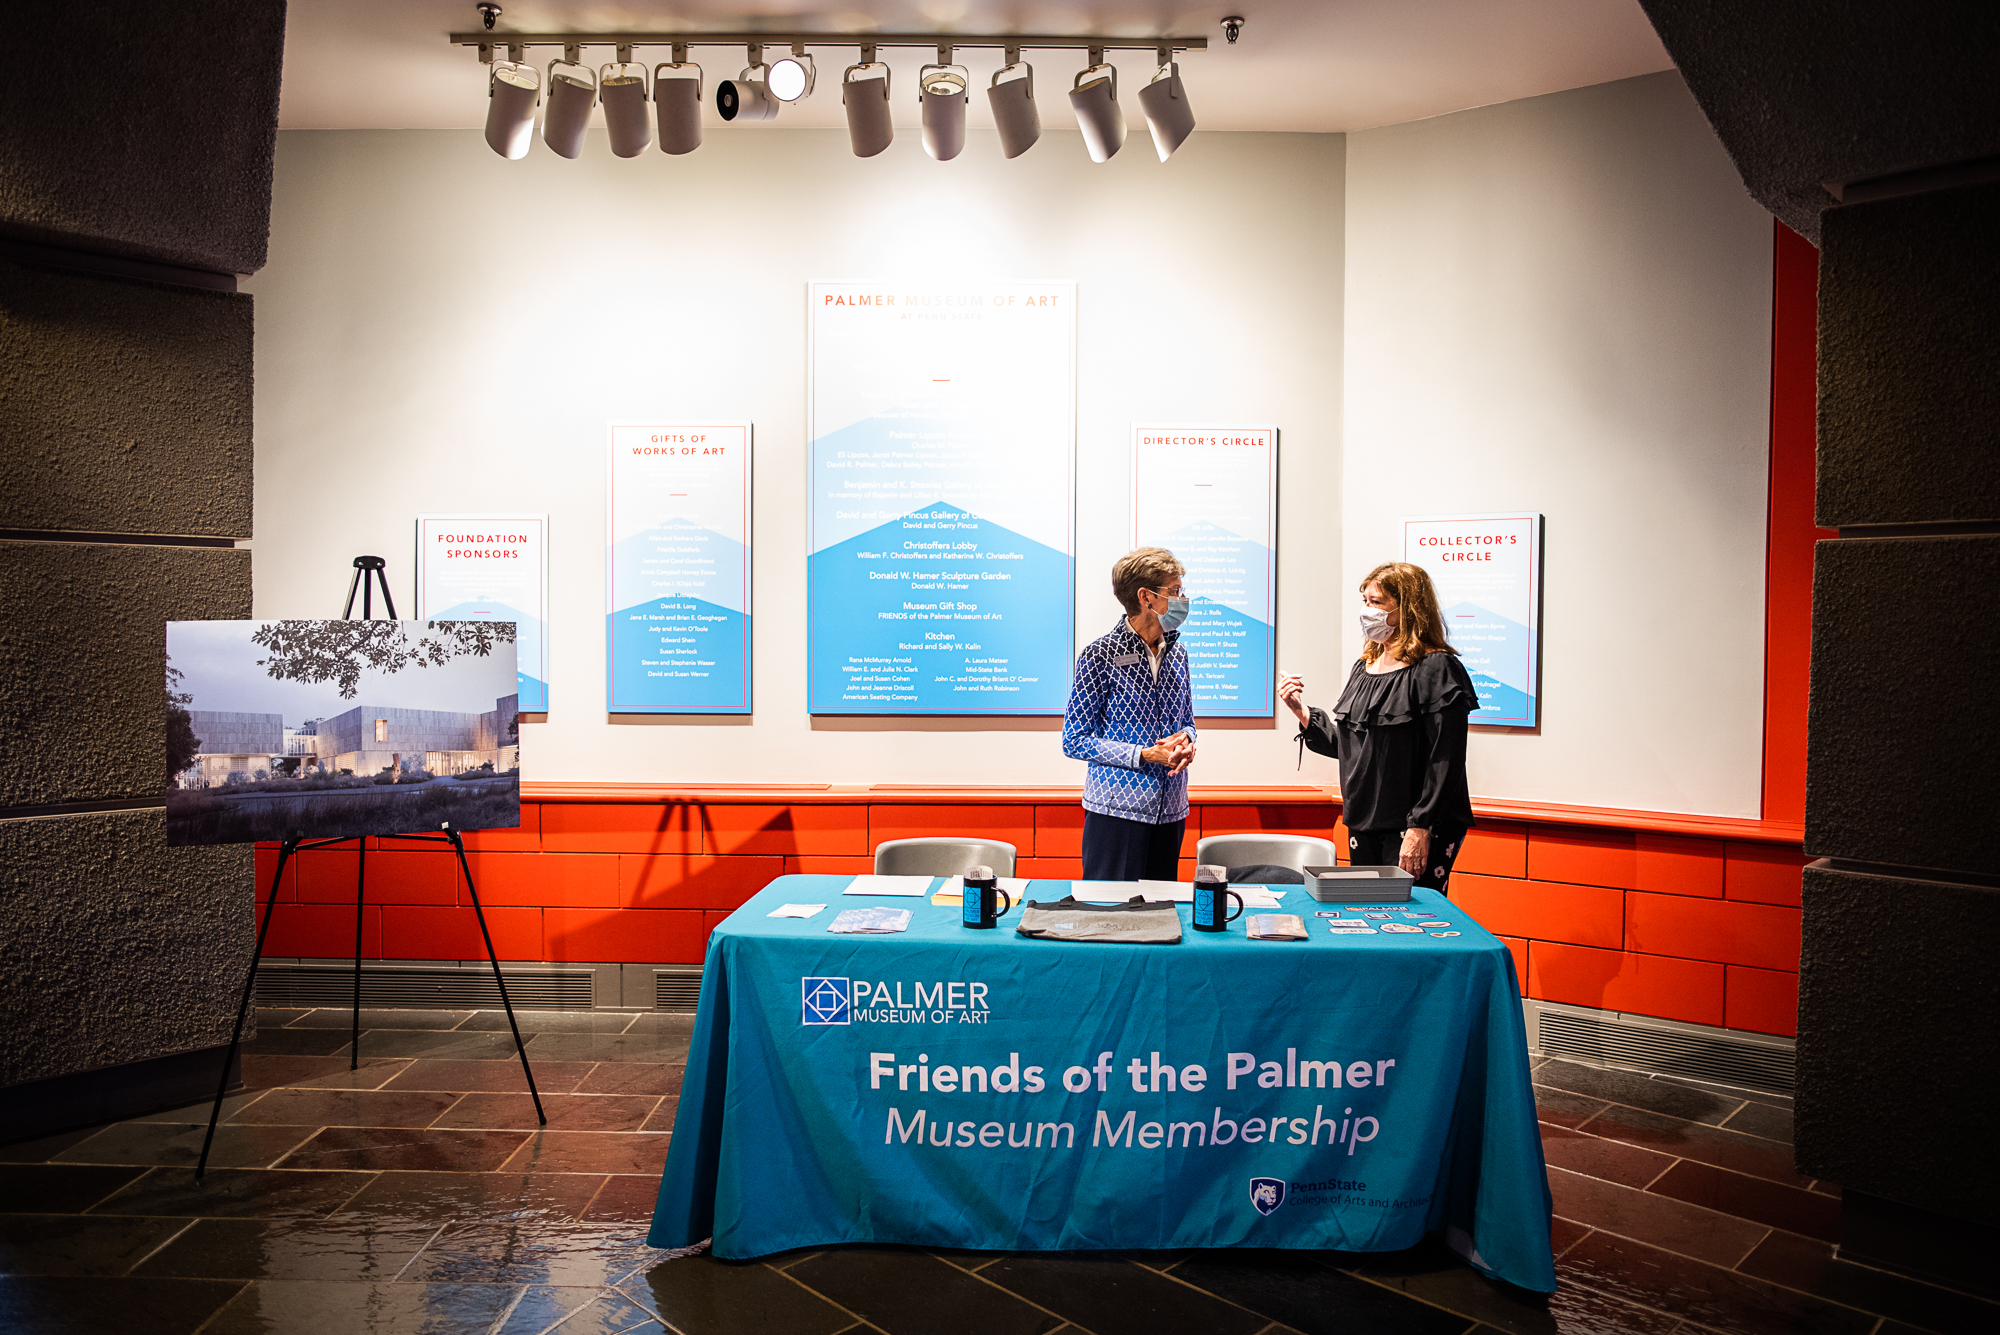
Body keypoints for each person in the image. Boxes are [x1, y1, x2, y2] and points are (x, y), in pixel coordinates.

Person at [1279, 562, 1478, 894]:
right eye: (1365, 600)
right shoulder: (1364, 667)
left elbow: (1447, 758)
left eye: (1376, 602)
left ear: (1406, 609)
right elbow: (1350, 749)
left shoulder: (1437, 668)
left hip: (1415, 826)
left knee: (1411, 924)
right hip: (1364, 822)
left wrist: (1420, 827)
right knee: (1371, 917)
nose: (1365, 610)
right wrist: (1301, 711)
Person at [1062, 548, 1198, 881]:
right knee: (1110, 919)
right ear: (1146, 597)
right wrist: (1143, 755)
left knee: (1162, 918)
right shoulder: (1100, 655)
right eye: (1175, 591)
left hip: (1171, 812)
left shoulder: (1177, 652)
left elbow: (1189, 723)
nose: (1183, 599)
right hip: (1116, 813)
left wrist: (1188, 742)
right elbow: (1074, 740)